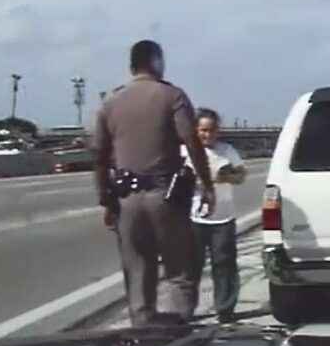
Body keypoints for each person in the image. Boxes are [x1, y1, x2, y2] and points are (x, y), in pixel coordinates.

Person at [93, 39, 216, 327]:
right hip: (166, 197)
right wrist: (206, 184)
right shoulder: (171, 95)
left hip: (126, 198)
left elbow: (98, 155)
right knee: (179, 271)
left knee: (138, 272)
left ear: (131, 66)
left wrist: (106, 199)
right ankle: (178, 332)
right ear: (156, 62)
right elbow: (191, 141)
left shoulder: (110, 102)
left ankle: (143, 331)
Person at [182, 107, 246, 323]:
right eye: (203, 130)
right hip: (194, 217)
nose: (207, 135)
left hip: (223, 217)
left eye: (211, 130)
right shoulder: (185, 152)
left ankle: (225, 309)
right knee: (191, 265)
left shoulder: (226, 150)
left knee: (224, 263)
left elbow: (241, 176)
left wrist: (223, 176)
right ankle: (186, 309)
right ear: (195, 130)